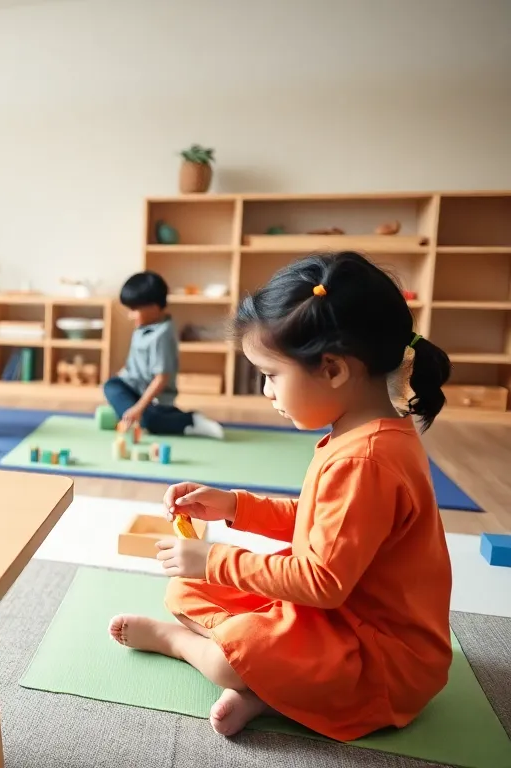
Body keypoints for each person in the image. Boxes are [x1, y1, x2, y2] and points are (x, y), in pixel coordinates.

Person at [108, 251, 453, 740]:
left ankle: (182, 646)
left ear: (332, 369)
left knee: (231, 652)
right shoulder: (361, 434)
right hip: (338, 615)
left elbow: (322, 582)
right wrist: (232, 506)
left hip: (382, 662)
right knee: (186, 589)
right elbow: (317, 521)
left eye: (271, 374)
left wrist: (215, 559)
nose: (267, 391)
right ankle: (269, 690)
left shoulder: (365, 460)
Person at [106, 271, 223, 438]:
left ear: (153, 308)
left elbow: (161, 379)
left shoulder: (163, 335)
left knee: (150, 420)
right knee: (111, 386)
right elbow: (133, 363)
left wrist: (138, 408)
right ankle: (131, 415)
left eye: (134, 310)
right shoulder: (142, 326)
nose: (130, 316)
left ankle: (190, 420)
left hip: (155, 399)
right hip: (134, 387)